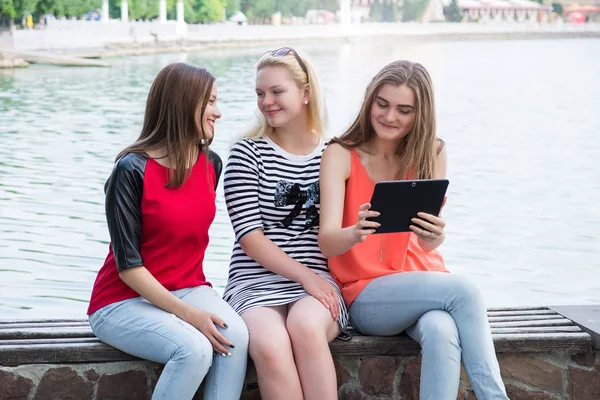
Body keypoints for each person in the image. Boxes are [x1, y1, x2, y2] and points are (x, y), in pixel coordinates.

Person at [318, 60, 509, 400]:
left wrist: (434, 235)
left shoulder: (431, 152)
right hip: (367, 294)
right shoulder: (340, 154)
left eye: (404, 110)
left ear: (419, 114)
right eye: (383, 104)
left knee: (442, 330)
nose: (390, 117)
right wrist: (355, 232)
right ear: (369, 101)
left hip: (424, 282)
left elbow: (427, 242)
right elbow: (327, 243)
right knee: (465, 291)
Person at [87, 62, 249, 400]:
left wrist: (190, 307)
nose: (218, 112)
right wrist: (190, 316)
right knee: (194, 349)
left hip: (187, 286)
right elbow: (128, 267)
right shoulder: (130, 170)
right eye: (210, 102)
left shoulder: (211, 164)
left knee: (235, 335)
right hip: (120, 300)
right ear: (181, 103)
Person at [222, 48, 349, 400]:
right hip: (254, 281)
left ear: (305, 92)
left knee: (306, 328)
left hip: (319, 279)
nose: (266, 102)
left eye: (277, 92)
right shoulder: (246, 153)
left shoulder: (334, 153)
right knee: (271, 345)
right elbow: (250, 238)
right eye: (260, 93)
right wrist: (303, 276)